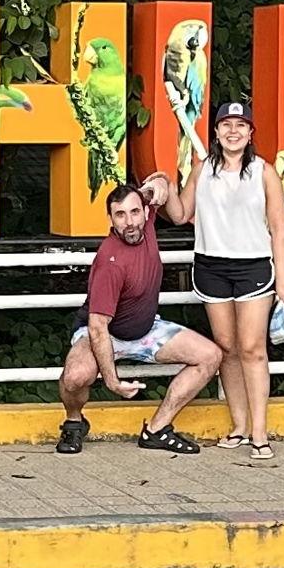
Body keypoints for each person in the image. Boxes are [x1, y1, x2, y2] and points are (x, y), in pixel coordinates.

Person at [146, 99, 284, 466]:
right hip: (211, 267)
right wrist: (163, 186)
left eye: (240, 125)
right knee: (226, 347)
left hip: (253, 268)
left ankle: (260, 432)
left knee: (252, 348)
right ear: (215, 132)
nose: (232, 131)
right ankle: (239, 425)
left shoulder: (264, 172)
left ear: (250, 133)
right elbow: (180, 214)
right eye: (226, 125)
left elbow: (278, 228)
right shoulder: (202, 169)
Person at [55, 180, 222, 455]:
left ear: (147, 212)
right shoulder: (110, 261)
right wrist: (112, 381)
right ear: (110, 219)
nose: (129, 222)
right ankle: (74, 422)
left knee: (210, 356)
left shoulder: (149, 219)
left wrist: (154, 185)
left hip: (145, 331)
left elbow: (164, 184)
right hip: (103, 334)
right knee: (74, 377)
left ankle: (156, 429)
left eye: (134, 212)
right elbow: (98, 327)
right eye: (120, 215)